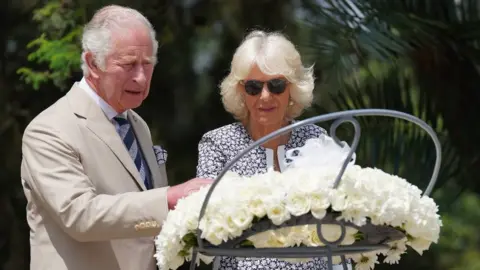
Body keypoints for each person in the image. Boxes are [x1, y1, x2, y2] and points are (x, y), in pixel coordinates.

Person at [20, 5, 212, 270]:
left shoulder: (136, 124)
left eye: (147, 64)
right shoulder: (49, 130)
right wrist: (168, 198)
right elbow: (80, 215)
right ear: (92, 63)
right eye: (129, 64)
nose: (141, 77)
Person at [196, 31, 349, 270]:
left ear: (292, 89)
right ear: (240, 91)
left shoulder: (315, 138)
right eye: (253, 87)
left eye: (276, 85)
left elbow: (340, 222)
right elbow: (204, 225)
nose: (265, 96)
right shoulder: (217, 144)